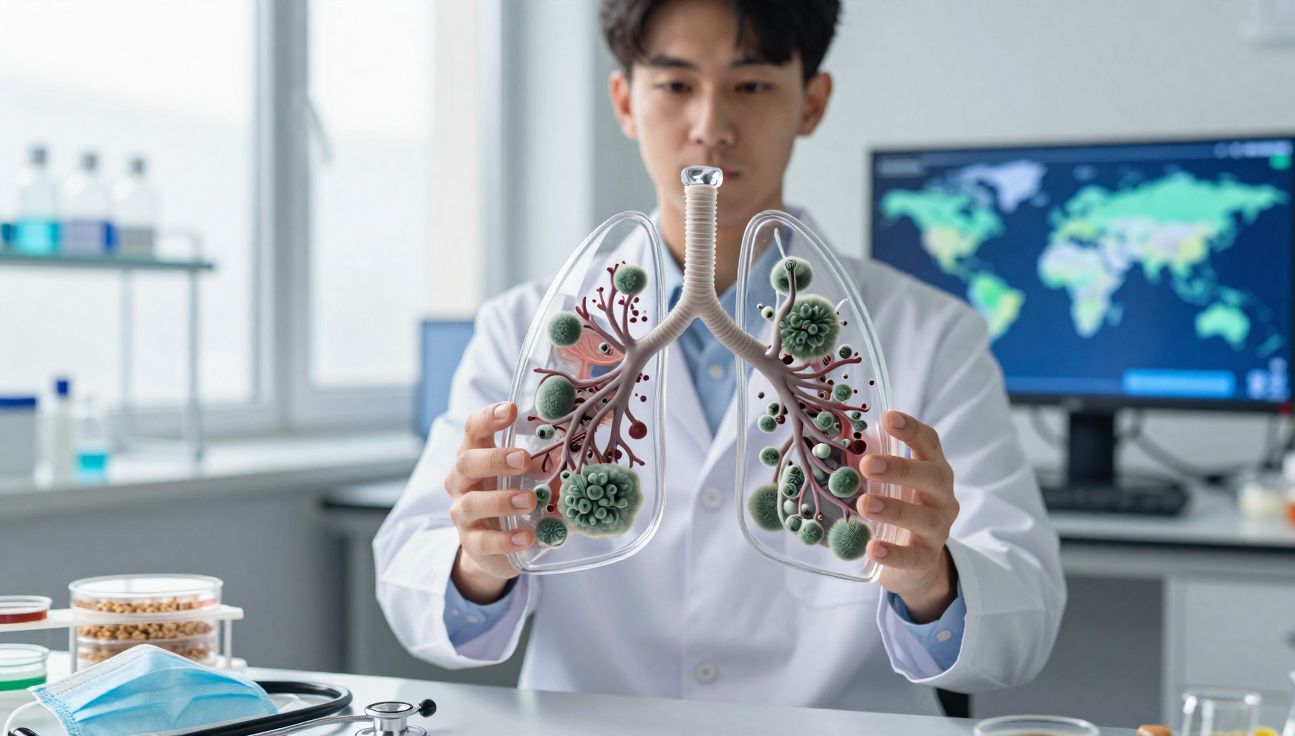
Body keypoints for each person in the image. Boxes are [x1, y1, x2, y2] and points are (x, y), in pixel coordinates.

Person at [374, 0, 1065, 715]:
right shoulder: (524, 326)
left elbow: (1024, 614)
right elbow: (414, 582)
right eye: (675, 85)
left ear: (813, 102)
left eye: (752, 84)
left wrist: (933, 580)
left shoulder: (931, 335)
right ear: (624, 101)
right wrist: (479, 563)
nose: (711, 127)